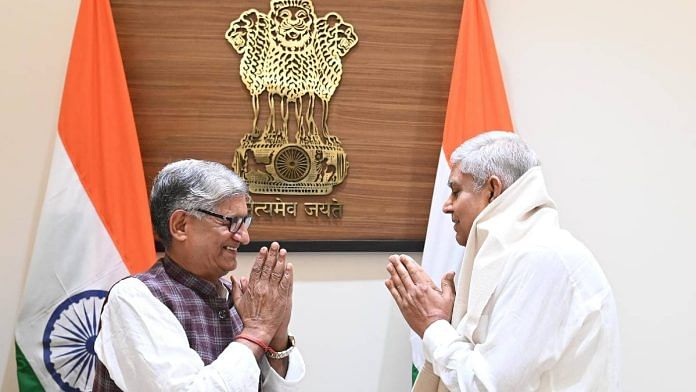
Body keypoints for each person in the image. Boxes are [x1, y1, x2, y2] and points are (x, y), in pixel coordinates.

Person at [385, 131, 620, 391]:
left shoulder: (542, 256)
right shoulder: (513, 253)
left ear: (492, 190)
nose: (446, 206)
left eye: (455, 191)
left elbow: (489, 386)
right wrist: (451, 323)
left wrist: (434, 326)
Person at [93, 159, 305, 391]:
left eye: (244, 222)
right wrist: (257, 332)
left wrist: (277, 336)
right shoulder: (134, 298)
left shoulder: (241, 299)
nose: (244, 238)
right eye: (231, 222)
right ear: (181, 225)